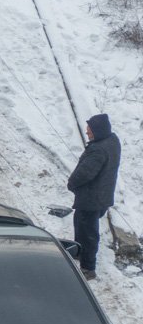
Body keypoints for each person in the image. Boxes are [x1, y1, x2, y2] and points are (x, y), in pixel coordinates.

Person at [67, 113, 121, 279]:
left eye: (90, 130)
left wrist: (71, 183)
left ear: (98, 130)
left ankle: (88, 268)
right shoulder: (112, 141)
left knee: (88, 233)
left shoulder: (98, 149)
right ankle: (78, 252)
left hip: (91, 199)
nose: (87, 132)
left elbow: (85, 173)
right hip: (102, 196)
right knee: (81, 224)